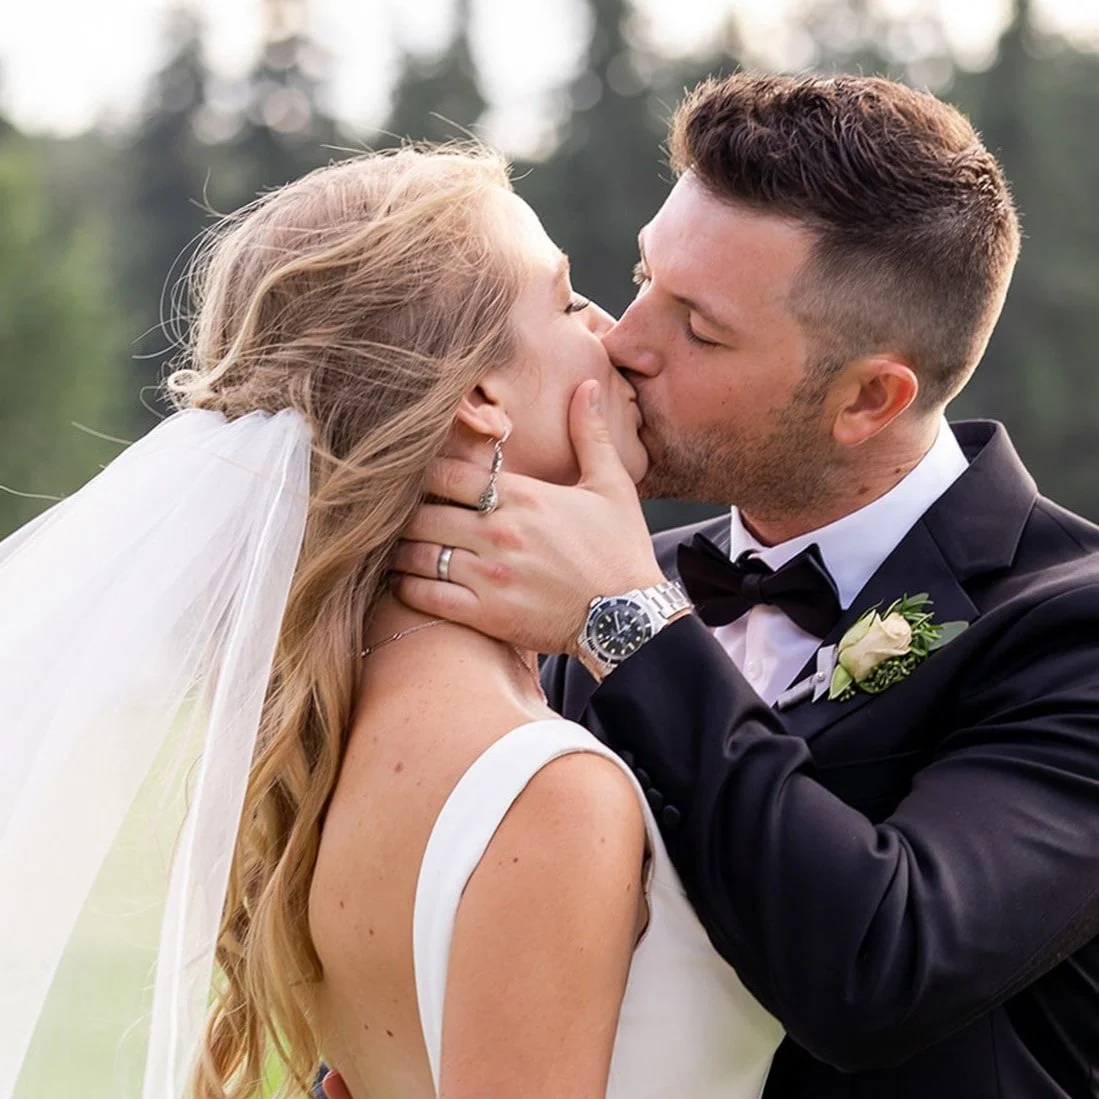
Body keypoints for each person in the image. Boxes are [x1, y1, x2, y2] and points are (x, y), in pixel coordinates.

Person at [0, 146, 783, 1099]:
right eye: (569, 301)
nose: (612, 331)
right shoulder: (549, 789)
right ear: (479, 400)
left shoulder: (337, 735)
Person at [391, 75, 1099, 1097]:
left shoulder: (1069, 627)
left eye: (700, 328)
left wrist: (629, 627)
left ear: (867, 398)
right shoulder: (616, 582)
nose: (626, 342)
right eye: (641, 278)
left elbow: (879, 972)